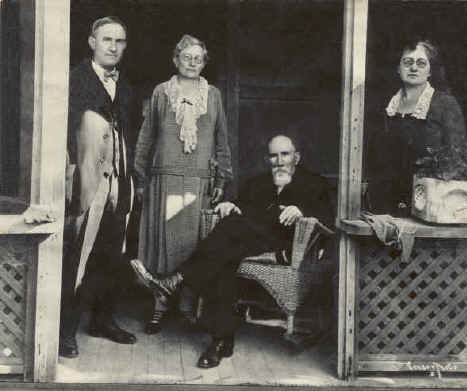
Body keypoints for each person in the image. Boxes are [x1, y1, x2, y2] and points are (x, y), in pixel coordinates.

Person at [131, 134, 334, 369]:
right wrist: (231, 205)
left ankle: (177, 282)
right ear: (268, 159)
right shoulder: (257, 183)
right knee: (226, 257)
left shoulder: (314, 183)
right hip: (247, 242)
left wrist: (302, 210)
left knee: (228, 237)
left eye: (285, 154)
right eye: (273, 155)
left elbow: (329, 221)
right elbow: (243, 207)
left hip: (284, 247)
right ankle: (220, 340)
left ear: (296, 157)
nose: (279, 161)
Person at [134, 34, 233, 334]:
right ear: (175, 60)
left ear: (205, 63)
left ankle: (188, 307)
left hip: (199, 181)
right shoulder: (161, 92)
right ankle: (159, 308)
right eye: (186, 57)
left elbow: (221, 140)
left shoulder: (212, 94)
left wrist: (222, 178)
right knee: (162, 247)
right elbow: (146, 137)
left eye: (198, 58)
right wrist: (139, 179)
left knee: (194, 247)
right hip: (163, 179)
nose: (192, 63)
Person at [60, 16, 139, 358]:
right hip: (87, 183)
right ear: (92, 42)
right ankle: (65, 330)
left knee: (113, 254)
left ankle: (102, 320)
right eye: (107, 40)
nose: (114, 47)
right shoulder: (74, 80)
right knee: (77, 255)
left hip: (119, 184)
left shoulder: (128, 88)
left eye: (120, 41)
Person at [366, 39, 466, 215]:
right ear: (398, 68)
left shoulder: (445, 104)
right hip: (385, 203)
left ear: (430, 71)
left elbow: (456, 157)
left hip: (429, 202)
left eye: (421, 63)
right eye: (407, 62)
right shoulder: (387, 106)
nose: (413, 68)